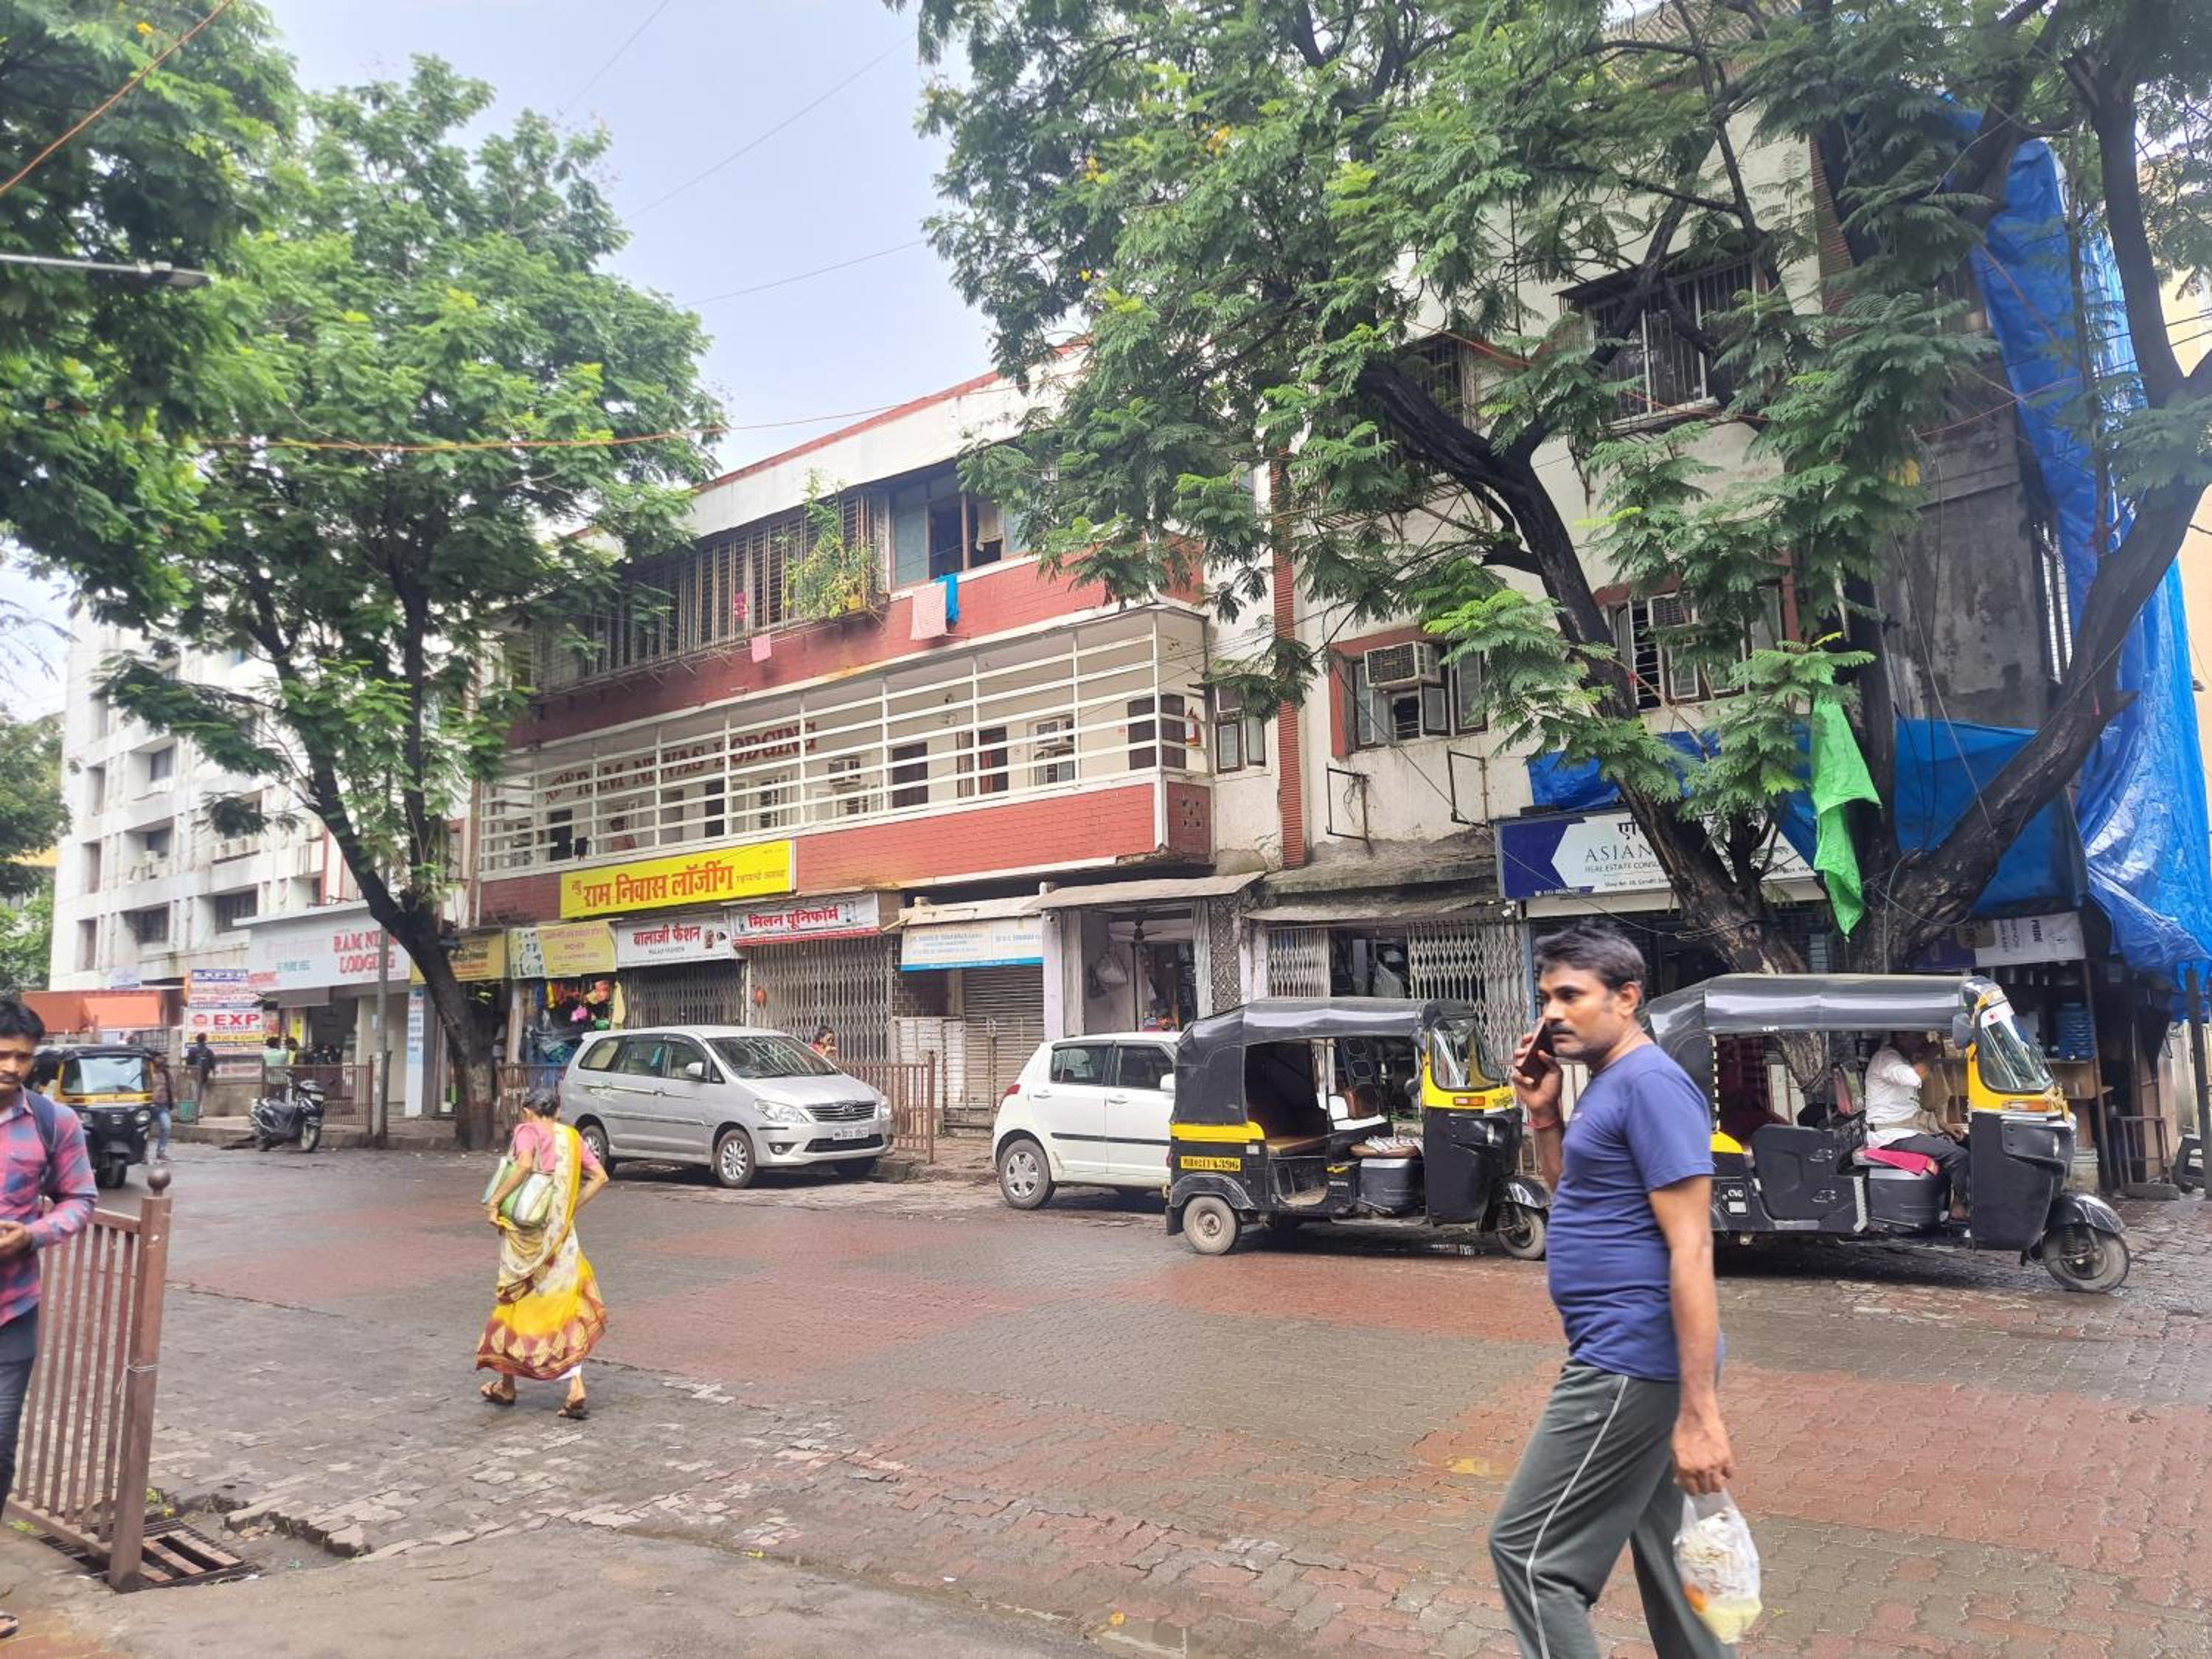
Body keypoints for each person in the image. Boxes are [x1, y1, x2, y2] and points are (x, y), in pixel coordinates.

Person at [1489, 923, 1733, 1659]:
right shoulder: (1607, 1085)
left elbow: (1692, 1247)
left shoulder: (1651, 1084)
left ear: (1626, 998)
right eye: (1545, 998)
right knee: (1672, 1554)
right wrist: (1544, 1114)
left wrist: (1700, 1416)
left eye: (1571, 996)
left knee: (1531, 1556)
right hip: (1630, 1355)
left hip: (1630, 1359)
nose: (1552, 1014)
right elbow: (1576, 1197)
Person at [0, 1001, 97, 1644]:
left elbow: (80, 1198)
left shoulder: (51, 1121)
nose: (11, 1067)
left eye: (22, 1057)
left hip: (11, 1314)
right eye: (2, 1054)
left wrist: (31, 1235)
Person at [477, 1086, 609, 1419]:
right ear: (557, 1111)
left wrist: (494, 1202)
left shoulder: (527, 1131)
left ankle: (507, 1386)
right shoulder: (572, 1138)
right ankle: (575, 1386)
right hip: (561, 1241)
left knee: (513, 1301)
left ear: (528, 1111)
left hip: (524, 1239)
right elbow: (600, 1177)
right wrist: (569, 1209)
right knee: (564, 1308)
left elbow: (523, 1165)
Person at [1863, 1032, 1969, 1219]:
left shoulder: (1902, 1059)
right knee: (1958, 1155)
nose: (1924, 1042)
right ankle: (1966, 1207)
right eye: (1919, 1037)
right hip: (1891, 1135)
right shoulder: (1886, 1059)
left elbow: (1910, 1109)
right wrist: (1931, 1052)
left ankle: (1956, 1203)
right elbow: (1914, 1078)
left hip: (1907, 1128)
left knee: (1967, 1142)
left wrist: (1942, 1125)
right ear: (1901, 1036)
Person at [147, 1053, 175, 1162]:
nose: (161, 1060)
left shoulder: (166, 1074)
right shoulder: (147, 1072)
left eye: (163, 1058)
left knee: (166, 1127)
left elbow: (172, 1087)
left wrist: (173, 1100)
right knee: (145, 1131)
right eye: (159, 1058)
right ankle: (143, 1154)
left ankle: (161, 1152)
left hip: (163, 1105)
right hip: (148, 1107)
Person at [186, 1035, 217, 1118]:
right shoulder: (209, 1051)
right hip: (204, 1076)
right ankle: (200, 1112)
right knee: (202, 1094)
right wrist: (213, 1073)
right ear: (205, 1040)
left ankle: (195, 1112)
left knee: (194, 1094)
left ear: (197, 1040)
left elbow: (188, 1064)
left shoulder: (192, 1051)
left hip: (194, 1075)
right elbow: (213, 1063)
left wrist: (188, 1073)